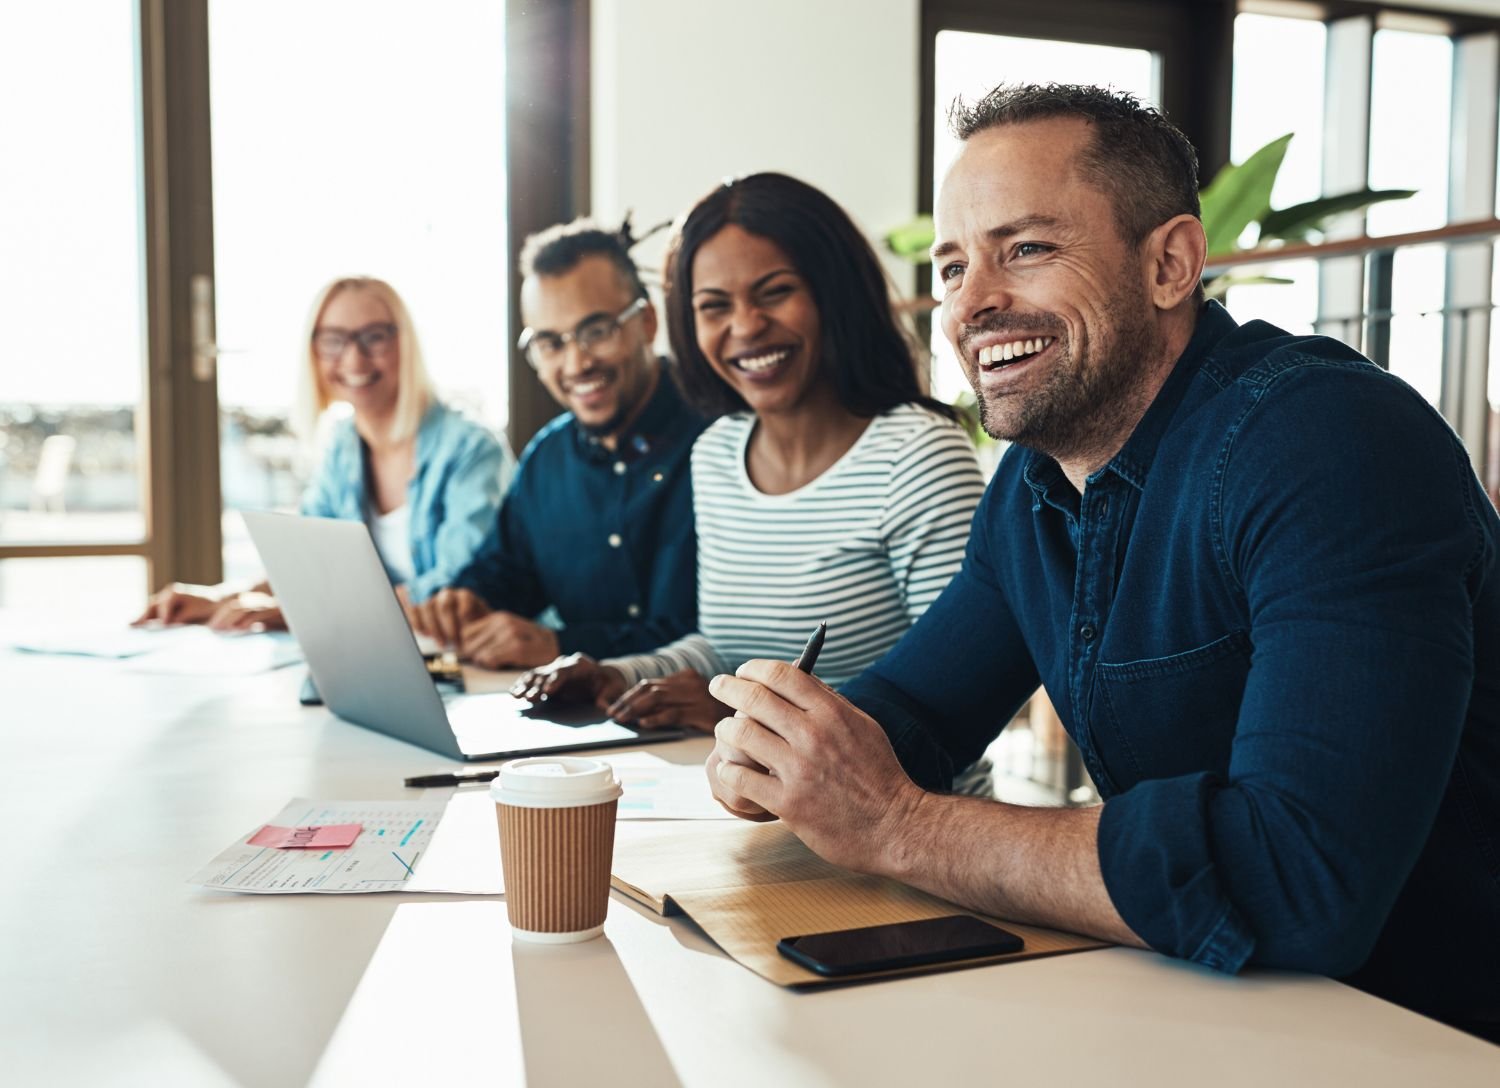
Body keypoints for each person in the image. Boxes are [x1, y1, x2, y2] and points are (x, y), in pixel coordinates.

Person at [703, 84, 1500, 1038]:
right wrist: (789, 750)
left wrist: (898, 824)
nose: (974, 303)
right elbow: (914, 714)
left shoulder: (1327, 442)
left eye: (1027, 249)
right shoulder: (1032, 486)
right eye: (955, 267)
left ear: (1170, 263)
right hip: (1205, 1012)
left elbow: (1300, 878)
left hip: (1423, 1032)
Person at [511, 173, 985, 734]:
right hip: (741, 802)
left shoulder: (917, 455)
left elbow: (960, 692)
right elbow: (722, 651)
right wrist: (616, 675)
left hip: (893, 816)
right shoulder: (717, 452)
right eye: (714, 306)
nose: (745, 327)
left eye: (775, 292)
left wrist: (743, 713)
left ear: (832, 293)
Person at [403, 219, 706, 668]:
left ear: (646, 322)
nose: (576, 363)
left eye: (597, 331)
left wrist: (560, 646)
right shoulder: (547, 459)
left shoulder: (721, 441)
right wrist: (467, 600)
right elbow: (507, 571)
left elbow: (714, 638)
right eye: (550, 343)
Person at [135, 276, 512, 631]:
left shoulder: (471, 449)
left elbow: (459, 591)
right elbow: (310, 564)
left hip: (471, 659)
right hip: (382, 653)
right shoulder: (343, 445)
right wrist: (222, 597)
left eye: (374, 337)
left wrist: (299, 613)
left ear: (406, 343)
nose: (353, 360)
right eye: (334, 340)